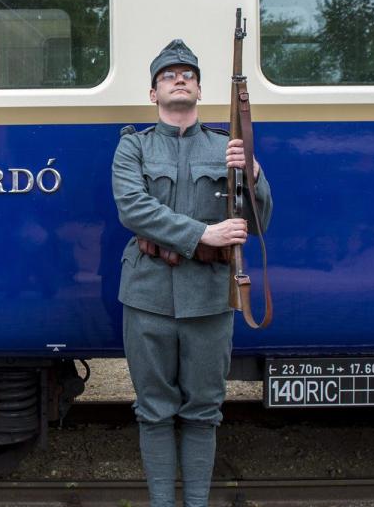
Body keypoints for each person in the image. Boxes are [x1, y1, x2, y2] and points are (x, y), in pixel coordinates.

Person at [111, 39, 272, 506]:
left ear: (201, 91)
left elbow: (260, 221)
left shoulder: (228, 148)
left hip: (208, 298)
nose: (178, 79)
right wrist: (205, 234)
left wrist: (255, 174)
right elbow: (133, 209)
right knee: (154, 411)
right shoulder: (132, 148)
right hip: (147, 296)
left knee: (204, 412)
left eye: (187, 75)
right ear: (153, 93)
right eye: (168, 75)